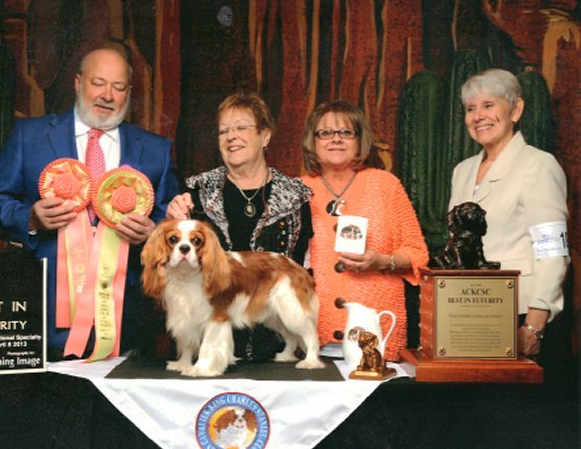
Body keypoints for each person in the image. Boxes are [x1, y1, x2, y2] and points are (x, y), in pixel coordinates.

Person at [0, 47, 179, 358]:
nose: (107, 95)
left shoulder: (156, 150)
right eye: (98, 82)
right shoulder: (29, 136)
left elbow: (172, 222)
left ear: (129, 93)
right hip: (43, 320)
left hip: (126, 326)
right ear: (77, 83)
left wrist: (154, 233)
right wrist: (30, 219)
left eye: (119, 87)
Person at [166, 91, 313, 361]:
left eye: (241, 127)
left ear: (265, 136)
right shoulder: (197, 191)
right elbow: (176, 263)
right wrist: (171, 219)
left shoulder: (295, 196)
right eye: (224, 131)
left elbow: (300, 264)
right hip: (209, 346)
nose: (231, 136)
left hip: (278, 350)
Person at [449, 68, 569, 357]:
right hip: (467, 317)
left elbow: (553, 251)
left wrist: (534, 326)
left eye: (489, 105)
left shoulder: (538, 165)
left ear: (515, 110)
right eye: (470, 108)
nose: (478, 116)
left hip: (520, 316)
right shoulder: (462, 171)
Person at [301, 99, 428, 362]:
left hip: (377, 332)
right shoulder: (298, 190)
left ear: (360, 139)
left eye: (346, 132)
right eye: (325, 132)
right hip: (312, 337)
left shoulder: (386, 185)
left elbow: (417, 253)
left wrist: (383, 261)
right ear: (312, 141)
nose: (336, 139)